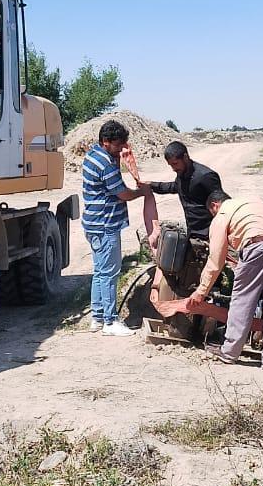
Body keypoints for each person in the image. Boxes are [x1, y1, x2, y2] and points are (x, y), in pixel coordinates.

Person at [186, 190, 263, 370]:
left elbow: (215, 261)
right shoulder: (253, 199)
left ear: (214, 206)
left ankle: (229, 352)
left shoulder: (222, 214)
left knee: (242, 299)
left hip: (257, 246)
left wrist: (201, 292)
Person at [81, 119, 149, 336]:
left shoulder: (94, 155)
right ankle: (110, 321)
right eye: (119, 145)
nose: (122, 149)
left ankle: (97, 317)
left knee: (100, 271)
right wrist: (142, 191)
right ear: (106, 141)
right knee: (110, 273)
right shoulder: (106, 164)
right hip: (106, 225)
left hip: (94, 224)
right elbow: (123, 193)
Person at [145, 141, 222, 241]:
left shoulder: (206, 176)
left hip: (210, 234)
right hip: (192, 233)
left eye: (175, 163)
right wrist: (151, 185)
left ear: (185, 157)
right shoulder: (182, 173)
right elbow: (174, 187)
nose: (173, 168)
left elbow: (221, 204)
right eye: (171, 165)